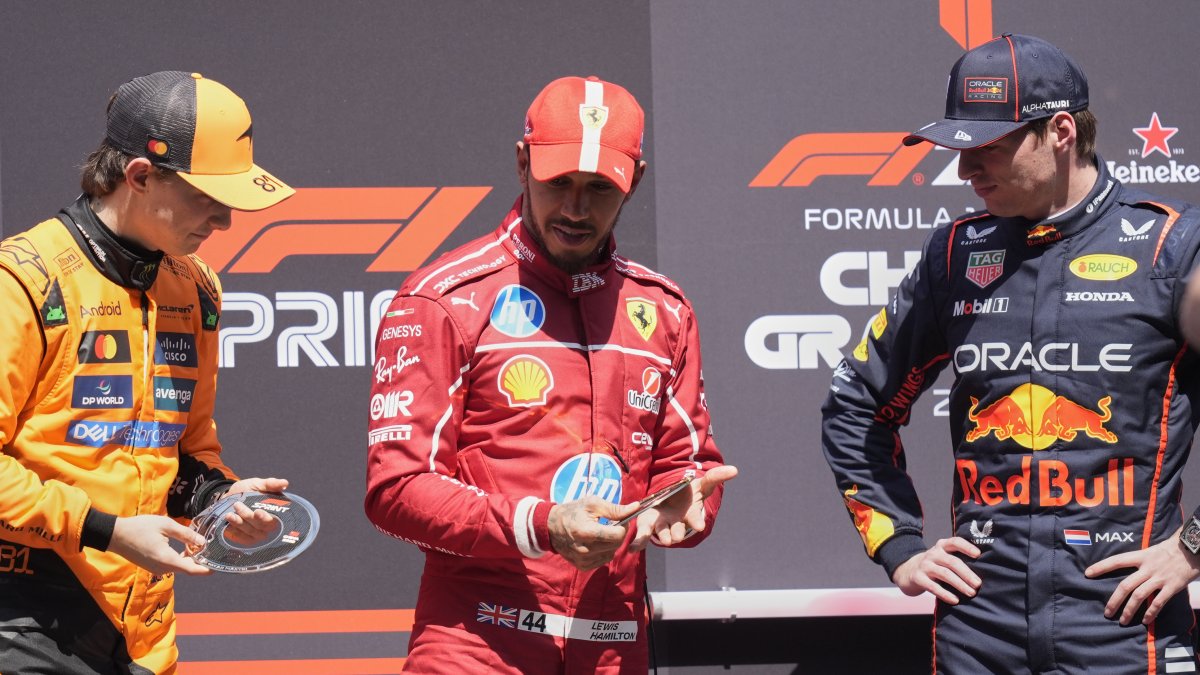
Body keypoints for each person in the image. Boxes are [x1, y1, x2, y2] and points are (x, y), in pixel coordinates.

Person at [822, 34, 1200, 673]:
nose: (965, 171)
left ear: (1060, 132)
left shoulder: (1173, 247)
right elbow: (855, 403)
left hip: (1124, 627)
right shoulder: (954, 256)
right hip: (979, 628)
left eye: (987, 148)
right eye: (959, 151)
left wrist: (1191, 549)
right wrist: (900, 545)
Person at [365, 75, 736, 673]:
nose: (575, 209)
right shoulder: (443, 299)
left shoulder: (664, 310)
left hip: (613, 647)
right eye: (559, 181)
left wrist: (684, 506)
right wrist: (542, 525)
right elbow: (396, 489)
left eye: (599, 187)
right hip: (475, 645)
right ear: (522, 164)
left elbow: (687, 468)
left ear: (635, 181)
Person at [0, 71, 295, 674]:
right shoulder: (23, 281)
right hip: (25, 616)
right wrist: (107, 530)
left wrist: (220, 499)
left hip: (144, 632)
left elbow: (183, 449)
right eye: (208, 198)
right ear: (139, 176)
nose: (225, 221)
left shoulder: (197, 287)